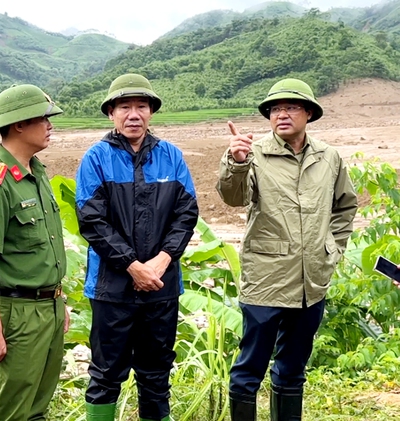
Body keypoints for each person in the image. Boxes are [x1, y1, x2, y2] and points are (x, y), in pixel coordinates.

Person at [216, 78, 358, 421]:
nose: (282, 114)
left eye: (291, 107)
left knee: (293, 368)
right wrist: (237, 161)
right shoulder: (253, 154)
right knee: (249, 370)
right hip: (266, 281)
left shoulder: (329, 157)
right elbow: (234, 197)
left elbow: (344, 207)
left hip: (311, 284)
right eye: (275, 109)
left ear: (308, 113)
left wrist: (333, 250)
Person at [75, 73, 199, 421]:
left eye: (141, 106)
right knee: (106, 373)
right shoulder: (96, 158)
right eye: (125, 107)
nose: (134, 114)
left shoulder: (170, 156)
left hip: (161, 285)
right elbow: (92, 221)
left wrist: (161, 261)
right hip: (111, 287)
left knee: (156, 371)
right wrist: (132, 265)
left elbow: (186, 213)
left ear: (151, 112)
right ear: (111, 113)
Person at [0, 84, 69, 421]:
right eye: (43, 119)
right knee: (12, 407)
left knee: (38, 402)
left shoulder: (36, 174)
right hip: (17, 312)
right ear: (19, 125)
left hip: (48, 307)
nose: (50, 126)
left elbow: (45, 249)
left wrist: (60, 299)